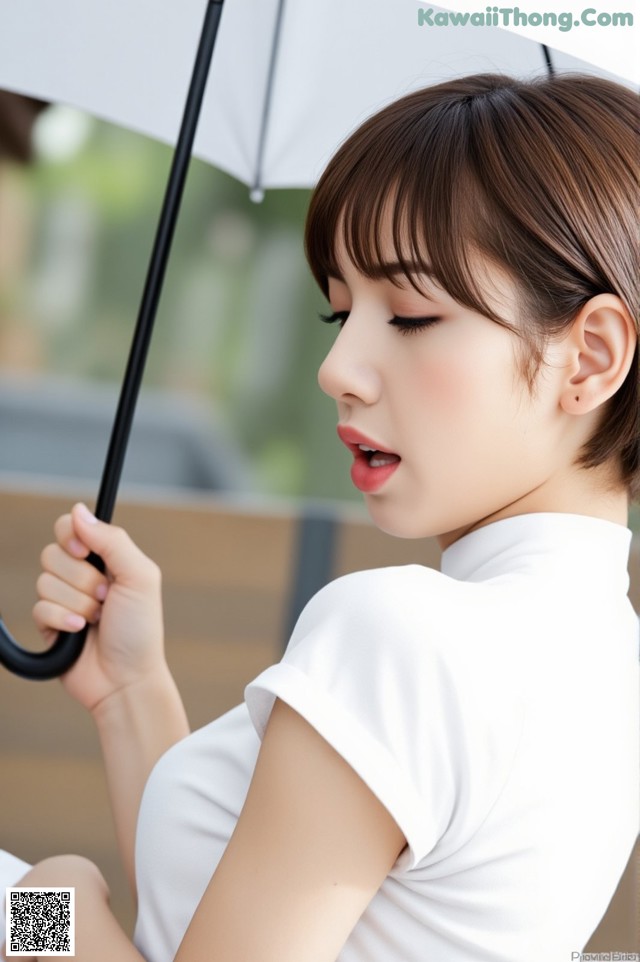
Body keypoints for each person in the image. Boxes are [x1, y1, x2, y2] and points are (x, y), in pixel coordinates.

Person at [2, 70, 638, 962]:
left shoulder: (404, 636)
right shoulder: (607, 668)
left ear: (590, 356)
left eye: (411, 314)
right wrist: (130, 693)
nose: (338, 368)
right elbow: (220, 916)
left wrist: (43, 918)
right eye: (338, 311)